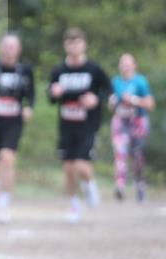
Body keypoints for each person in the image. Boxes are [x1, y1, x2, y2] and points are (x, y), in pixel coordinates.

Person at [48, 27, 112, 223]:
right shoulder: (59, 70)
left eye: (77, 42)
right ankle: (74, 206)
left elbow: (108, 91)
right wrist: (54, 92)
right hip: (66, 125)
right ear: (65, 45)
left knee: (81, 166)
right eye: (70, 42)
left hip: (88, 125)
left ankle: (89, 185)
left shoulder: (94, 69)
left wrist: (96, 99)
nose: (74, 46)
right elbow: (50, 97)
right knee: (68, 168)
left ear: (84, 44)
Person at [0, 32, 35, 222]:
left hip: (13, 121)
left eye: (13, 47)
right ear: (0, 48)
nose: (9, 51)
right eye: (6, 46)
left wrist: (29, 107)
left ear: (18, 50)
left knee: (8, 157)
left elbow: (31, 94)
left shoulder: (25, 70)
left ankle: (4, 204)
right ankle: (1, 193)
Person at [109, 53, 155, 202]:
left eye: (128, 64)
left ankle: (140, 183)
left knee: (137, 155)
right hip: (121, 121)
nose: (125, 67)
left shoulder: (140, 82)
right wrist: (113, 103)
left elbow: (150, 104)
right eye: (123, 64)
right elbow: (111, 105)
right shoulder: (115, 82)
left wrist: (133, 100)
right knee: (120, 153)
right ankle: (120, 185)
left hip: (138, 122)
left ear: (134, 65)